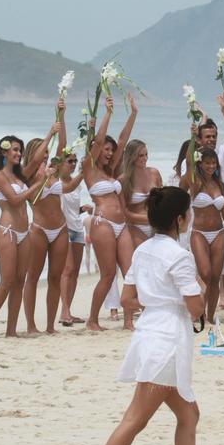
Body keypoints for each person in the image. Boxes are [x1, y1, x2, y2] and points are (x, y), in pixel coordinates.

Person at [95, 186, 204, 445]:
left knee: (190, 415)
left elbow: (127, 299)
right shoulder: (179, 255)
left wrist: (156, 304)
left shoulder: (143, 250)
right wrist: (193, 294)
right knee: (135, 419)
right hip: (167, 341)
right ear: (180, 219)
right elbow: (197, 308)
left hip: (150, 333)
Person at [21, 100, 84, 334]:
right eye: (43, 153)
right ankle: (30, 325)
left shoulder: (54, 170)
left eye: (47, 152)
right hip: (38, 229)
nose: (46, 156)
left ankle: (49, 326)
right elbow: (33, 196)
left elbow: (64, 145)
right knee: (33, 277)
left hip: (60, 229)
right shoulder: (27, 176)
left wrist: (61, 115)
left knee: (56, 278)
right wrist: (49, 134)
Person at [0, 135, 50, 340]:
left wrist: (51, 134)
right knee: (7, 281)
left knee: (20, 281)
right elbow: (15, 199)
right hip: (7, 231)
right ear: (4, 152)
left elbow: (37, 159)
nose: (18, 153)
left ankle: (11, 329)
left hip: (24, 233)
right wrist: (39, 184)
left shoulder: (20, 176)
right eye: (14, 150)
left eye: (20, 150)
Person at [82, 94, 138, 331]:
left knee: (131, 273)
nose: (108, 153)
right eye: (105, 149)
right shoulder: (88, 168)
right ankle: (92, 319)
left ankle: (128, 320)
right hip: (102, 223)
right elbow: (97, 142)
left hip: (121, 224)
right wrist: (108, 113)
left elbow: (124, 140)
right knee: (107, 276)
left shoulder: (111, 171)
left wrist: (133, 113)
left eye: (110, 150)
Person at [190, 91, 224, 322]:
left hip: (222, 221)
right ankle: (198, 310)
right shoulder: (193, 167)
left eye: (214, 135)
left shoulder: (222, 155)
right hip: (199, 227)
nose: (211, 139)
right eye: (207, 136)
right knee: (206, 274)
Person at [180, 142, 224, 325]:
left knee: (215, 277)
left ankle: (210, 316)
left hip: (219, 233)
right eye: (207, 163)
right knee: (205, 273)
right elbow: (188, 166)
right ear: (200, 163)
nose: (211, 166)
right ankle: (199, 311)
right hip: (199, 233)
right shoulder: (195, 182)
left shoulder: (219, 184)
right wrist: (192, 136)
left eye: (214, 163)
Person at [59, 149, 89, 326]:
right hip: (64, 229)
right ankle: (64, 311)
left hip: (77, 228)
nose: (73, 164)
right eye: (69, 161)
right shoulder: (56, 182)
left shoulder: (76, 183)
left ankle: (68, 309)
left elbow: (71, 209)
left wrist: (82, 209)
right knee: (67, 270)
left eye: (74, 161)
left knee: (75, 273)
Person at [120, 139, 164, 247]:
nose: (145, 158)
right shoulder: (123, 180)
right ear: (131, 157)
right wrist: (149, 218)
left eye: (146, 154)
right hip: (135, 228)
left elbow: (162, 201)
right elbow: (124, 212)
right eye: (140, 156)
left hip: (156, 227)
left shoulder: (154, 173)